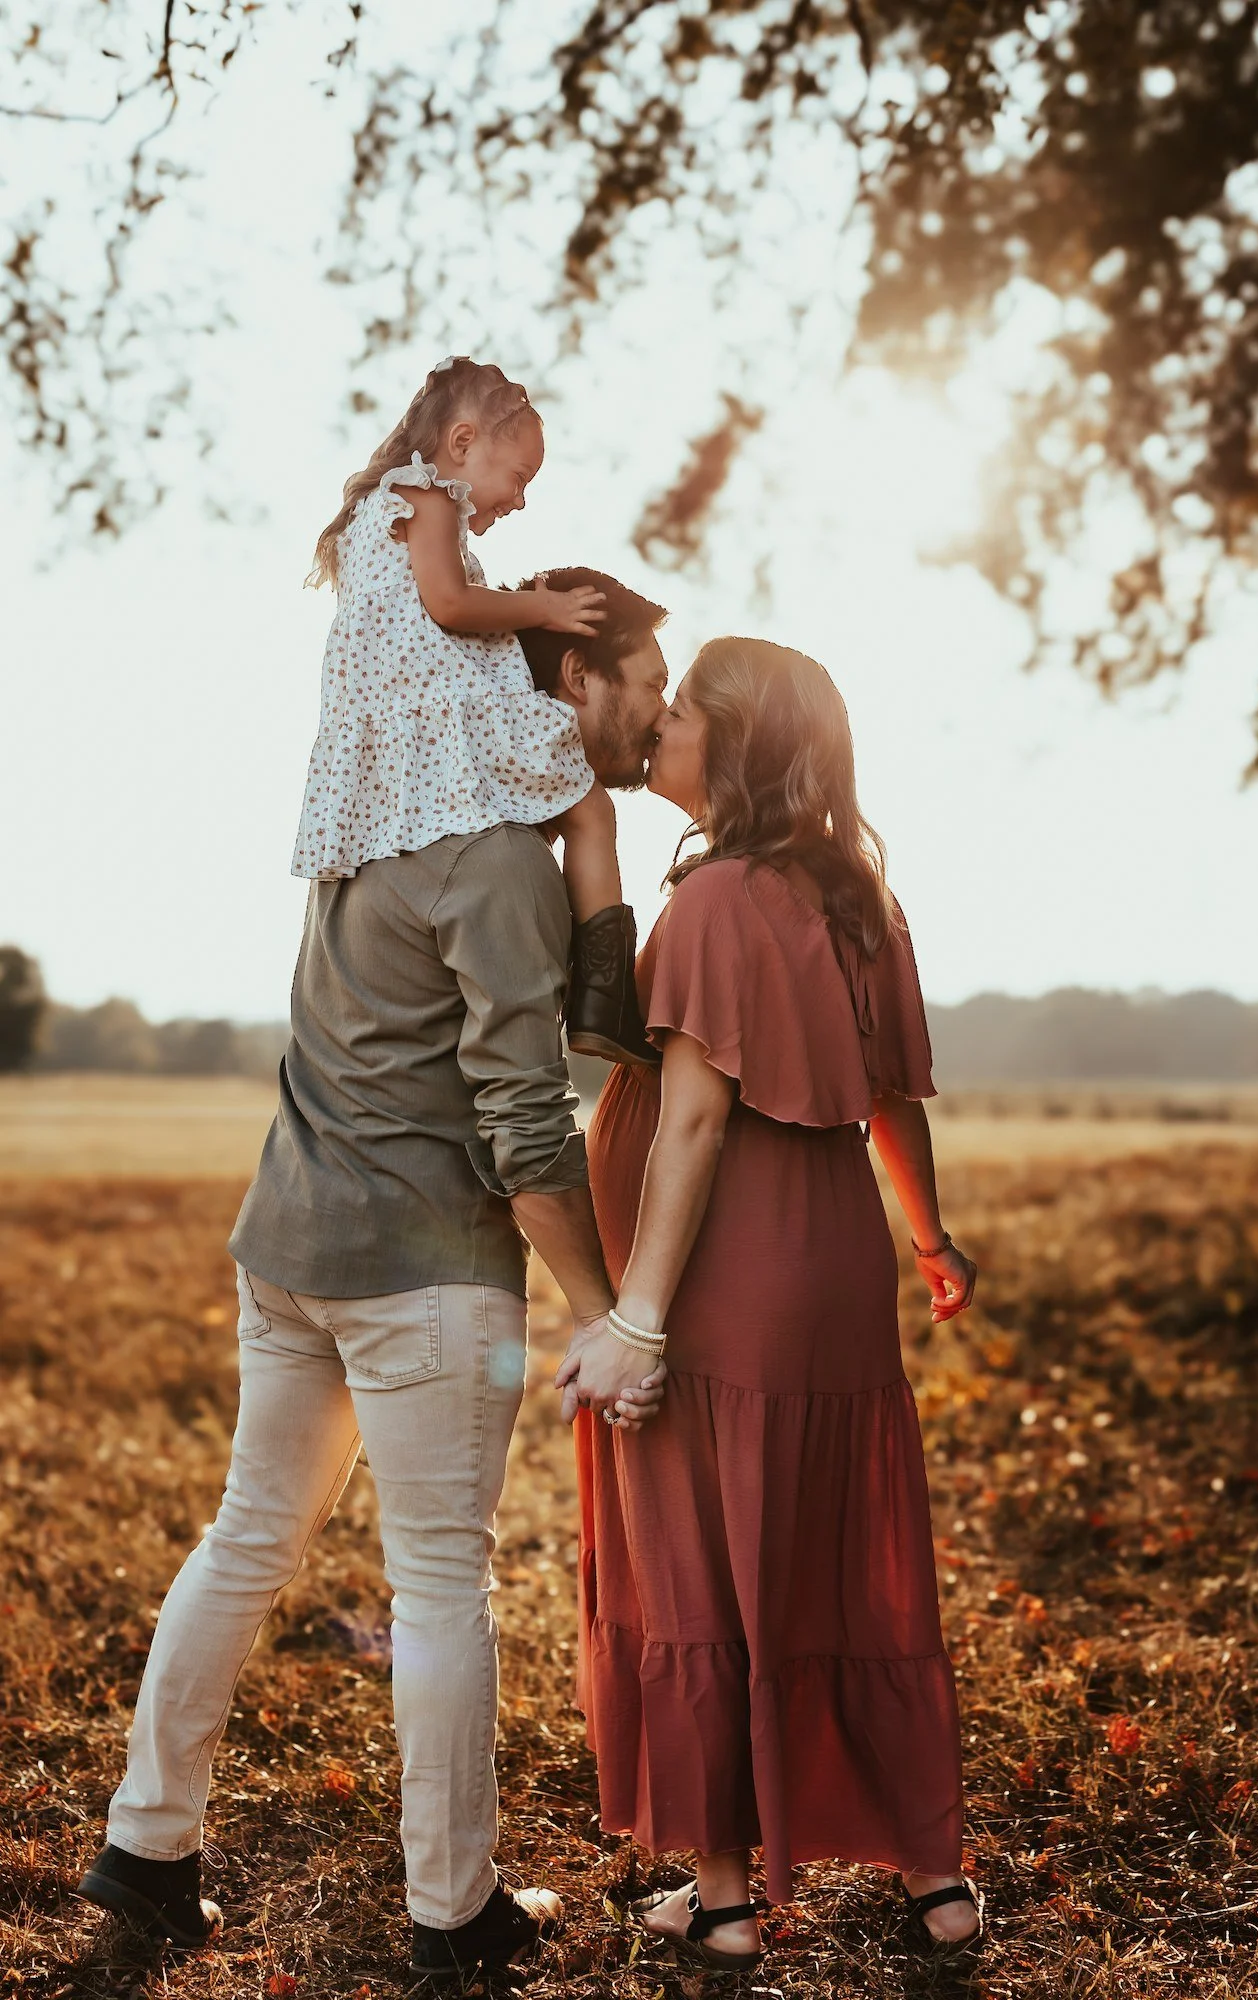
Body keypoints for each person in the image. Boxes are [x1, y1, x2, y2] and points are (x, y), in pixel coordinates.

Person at [73, 572, 671, 1986]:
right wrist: (607, 1312)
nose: (657, 708)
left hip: (288, 1249)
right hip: (424, 1279)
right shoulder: (502, 869)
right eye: (646, 678)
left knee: (247, 1541)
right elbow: (530, 1133)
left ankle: (147, 1850)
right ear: (571, 686)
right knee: (443, 1585)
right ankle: (452, 1911)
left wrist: (587, 835)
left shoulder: (370, 826)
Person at [564, 637, 983, 1974]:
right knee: (832, 1564)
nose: (662, 718)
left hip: (723, 1282)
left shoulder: (717, 902)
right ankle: (936, 1879)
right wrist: (933, 1239)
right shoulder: (862, 899)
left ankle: (728, 1898)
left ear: (732, 747)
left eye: (682, 706)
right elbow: (895, 1103)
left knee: (699, 1568)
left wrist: (637, 1310)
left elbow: (688, 1128)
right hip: (836, 1270)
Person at [293, 353, 655, 1065]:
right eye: (519, 477)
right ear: (461, 443)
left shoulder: (388, 510)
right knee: (589, 809)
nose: (520, 500)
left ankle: (582, 981)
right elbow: (452, 605)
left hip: (408, 724)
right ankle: (602, 999)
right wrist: (544, 610)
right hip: (441, 711)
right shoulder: (424, 497)